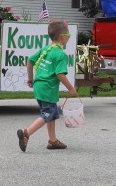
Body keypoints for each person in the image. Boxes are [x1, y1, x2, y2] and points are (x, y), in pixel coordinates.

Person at [15, 20, 79, 152]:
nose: (68, 37)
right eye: (69, 35)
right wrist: (71, 89)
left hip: (39, 86)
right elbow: (60, 74)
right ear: (63, 37)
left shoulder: (45, 49)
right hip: (48, 87)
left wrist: (30, 78)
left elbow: (30, 61)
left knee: (51, 113)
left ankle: (52, 140)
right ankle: (26, 132)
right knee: (48, 114)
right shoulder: (60, 54)